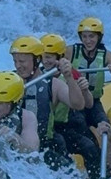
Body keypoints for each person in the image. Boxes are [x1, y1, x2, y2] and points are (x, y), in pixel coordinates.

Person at [41, 32, 111, 179]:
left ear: (60, 58)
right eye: (43, 57)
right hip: (46, 128)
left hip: (65, 125)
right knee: (59, 144)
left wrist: (85, 90)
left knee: (90, 147)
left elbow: (89, 104)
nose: (45, 61)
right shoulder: (37, 75)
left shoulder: (72, 73)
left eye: (49, 57)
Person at [11, 35, 85, 170]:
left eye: (22, 61)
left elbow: (78, 104)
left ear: (37, 60)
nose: (17, 66)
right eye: (15, 61)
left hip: (43, 148)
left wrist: (69, 77)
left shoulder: (53, 84)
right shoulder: (9, 81)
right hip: (13, 145)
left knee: (70, 175)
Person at [70, 17, 111, 130]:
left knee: (106, 125)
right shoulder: (71, 51)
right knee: (79, 123)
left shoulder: (107, 55)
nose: (87, 40)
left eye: (91, 36)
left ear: (99, 37)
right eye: (84, 37)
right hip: (76, 101)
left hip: (94, 102)